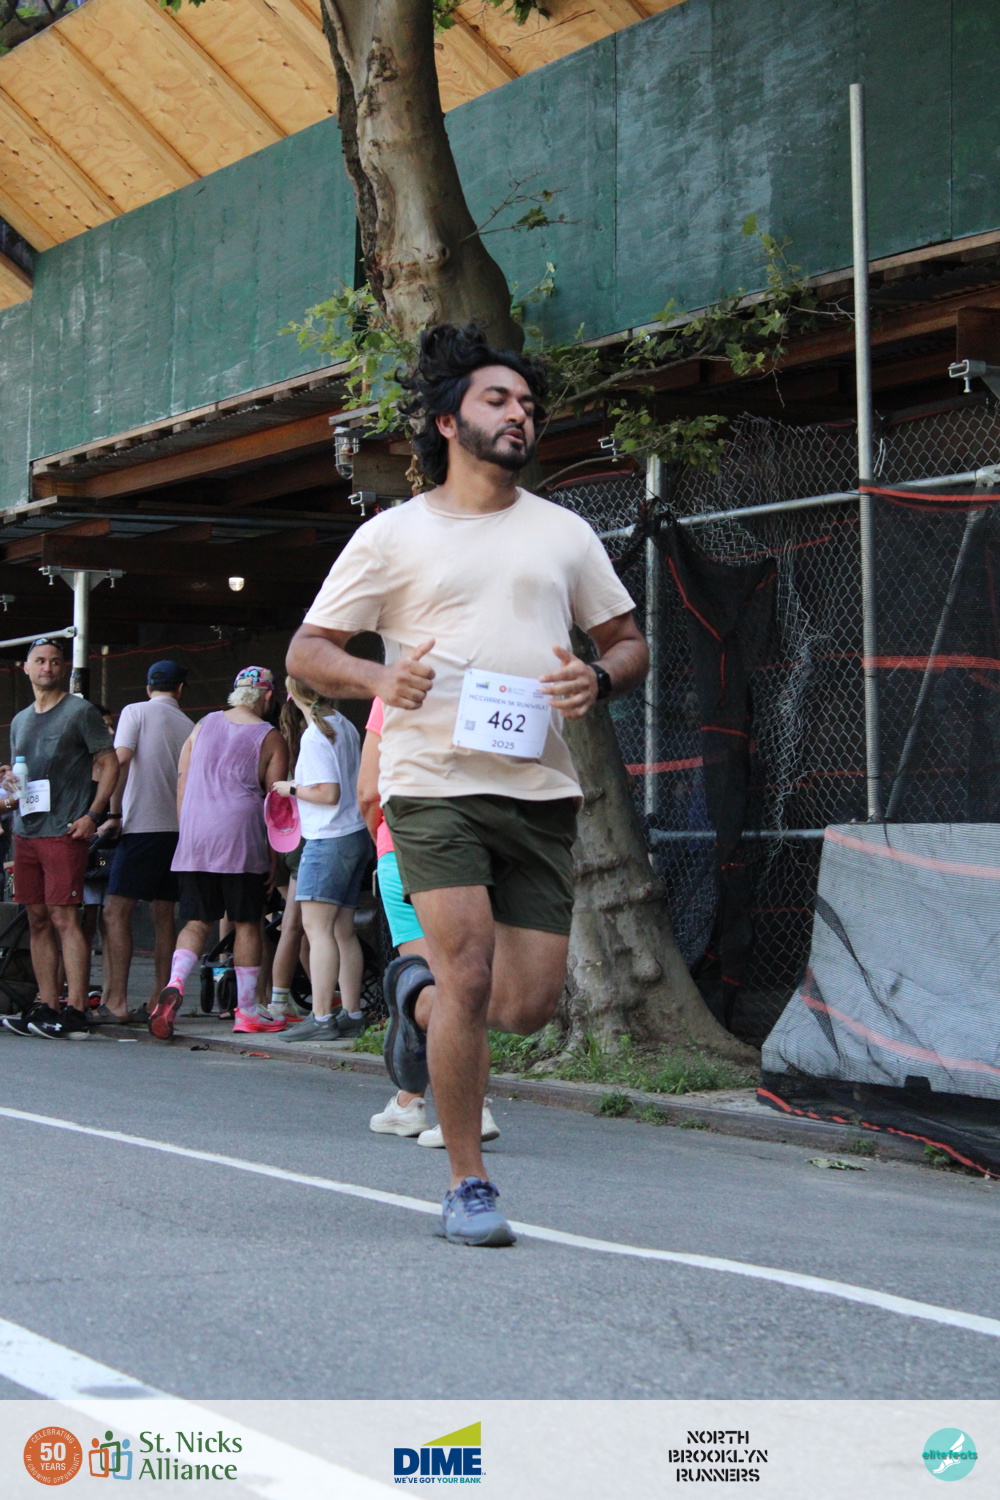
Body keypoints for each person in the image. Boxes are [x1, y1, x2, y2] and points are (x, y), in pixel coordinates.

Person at [287, 324, 648, 1246]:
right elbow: (309, 650)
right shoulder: (392, 535)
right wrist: (378, 677)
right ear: (448, 421)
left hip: (539, 788)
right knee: (472, 973)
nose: (519, 414)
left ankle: (412, 992)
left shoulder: (563, 532)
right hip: (431, 781)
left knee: (521, 1005)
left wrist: (598, 678)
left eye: (527, 403)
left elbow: (627, 641)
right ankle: (467, 1182)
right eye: (498, 399)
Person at [359, 697, 499, 1147]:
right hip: (479, 847)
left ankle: (470, 1107)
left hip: (408, 845)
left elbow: (368, 791)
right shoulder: (487, 684)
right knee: (460, 977)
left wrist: (384, 841)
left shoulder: (395, 689)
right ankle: (408, 1101)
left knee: (428, 984)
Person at [150, 665, 288, 1040]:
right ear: (268, 696)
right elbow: (276, 801)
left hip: (196, 835)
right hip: (240, 836)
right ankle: (246, 1011)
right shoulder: (270, 736)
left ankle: (175, 983)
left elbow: (182, 783)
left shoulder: (203, 725)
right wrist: (272, 852)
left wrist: (188, 832)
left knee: (196, 922)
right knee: (247, 922)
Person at [1, 637, 118, 1039]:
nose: (47, 667)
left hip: (65, 829)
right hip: (26, 830)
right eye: (39, 661)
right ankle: (46, 1004)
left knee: (64, 917)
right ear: (26, 668)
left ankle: (76, 1009)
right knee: (36, 918)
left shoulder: (79, 712)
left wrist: (93, 815)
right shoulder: (20, 720)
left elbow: (109, 761)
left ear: (63, 667)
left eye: (54, 661)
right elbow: (22, 773)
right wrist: (9, 781)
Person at [272, 678, 372, 1043]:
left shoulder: (315, 736)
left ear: (294, 694)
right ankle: (353, 1013)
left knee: (317, 930)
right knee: (343, 930)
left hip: (327, 839)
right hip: (354, 834)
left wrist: (290, 788)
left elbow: (328, 793)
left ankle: (321, 1017)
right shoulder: (343, 724)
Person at [97, 661, 193, 1024]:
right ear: (180, 689)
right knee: (164, 914)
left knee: (115, 911)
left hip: (141, 826)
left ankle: (116, 1002)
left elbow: (120, 760)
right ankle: (156, 999)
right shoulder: (189, 725)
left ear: (148, 687)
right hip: (178, 830)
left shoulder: (135, 712)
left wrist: (112, 812)